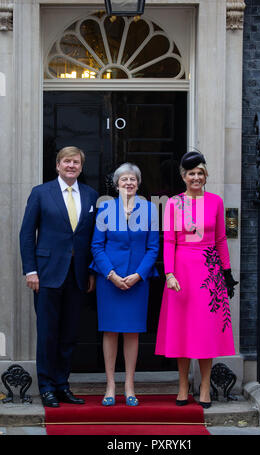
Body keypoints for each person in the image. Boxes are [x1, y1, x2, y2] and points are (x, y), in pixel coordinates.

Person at [155, 151, 238, 408]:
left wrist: (227, 274)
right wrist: (169, 273)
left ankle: (204, 386)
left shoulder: (215, 202)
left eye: (200, 173)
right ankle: (182, 385)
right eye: (191, 173)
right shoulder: (173, 203)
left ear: (205, 176)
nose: (196, 177)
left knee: (205, 331)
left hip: (210, 271)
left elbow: (221, 240)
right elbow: (169, 240)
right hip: (182, 271)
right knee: (182, 329)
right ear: (183, 177)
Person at [19, 146, 98, 408]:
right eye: (67, 162)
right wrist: (30, 270)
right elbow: (27, 234)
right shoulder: (41, 193)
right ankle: (46, 387)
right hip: (46, 275)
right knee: (48, 334)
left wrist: (89, 272)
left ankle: (63, 385)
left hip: (77, 276)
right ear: (57, 165)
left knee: (69, 335)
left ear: (81, 167)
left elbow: (89, 239)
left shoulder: (90, 195)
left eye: (76, 162)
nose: (71, 166)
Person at [90, 163, 159, 407]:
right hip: (109, 280)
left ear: (138, 183)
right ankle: (110, 385)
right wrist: (110, 274)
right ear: (117, 184)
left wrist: (139, 275)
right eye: (124, 180)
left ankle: (129, 384)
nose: (128, 183)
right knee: (110, 331)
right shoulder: (105, 209)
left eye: (133, 179)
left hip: (137, 281)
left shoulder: (149, 209)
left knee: (132, 332)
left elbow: (153, 248)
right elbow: (97, 245)